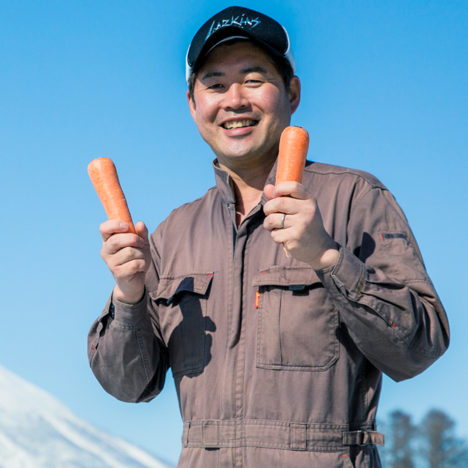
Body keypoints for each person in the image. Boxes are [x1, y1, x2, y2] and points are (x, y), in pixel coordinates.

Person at [88, 6, 449, 467]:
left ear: (292, 92)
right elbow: (127, 384)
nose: (234, 99)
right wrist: (129, 296)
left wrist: (328, 257)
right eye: (215, 85)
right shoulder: (172, 234)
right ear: (192, 105)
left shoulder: (354, 198)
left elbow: (420, 347)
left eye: (254, 80)